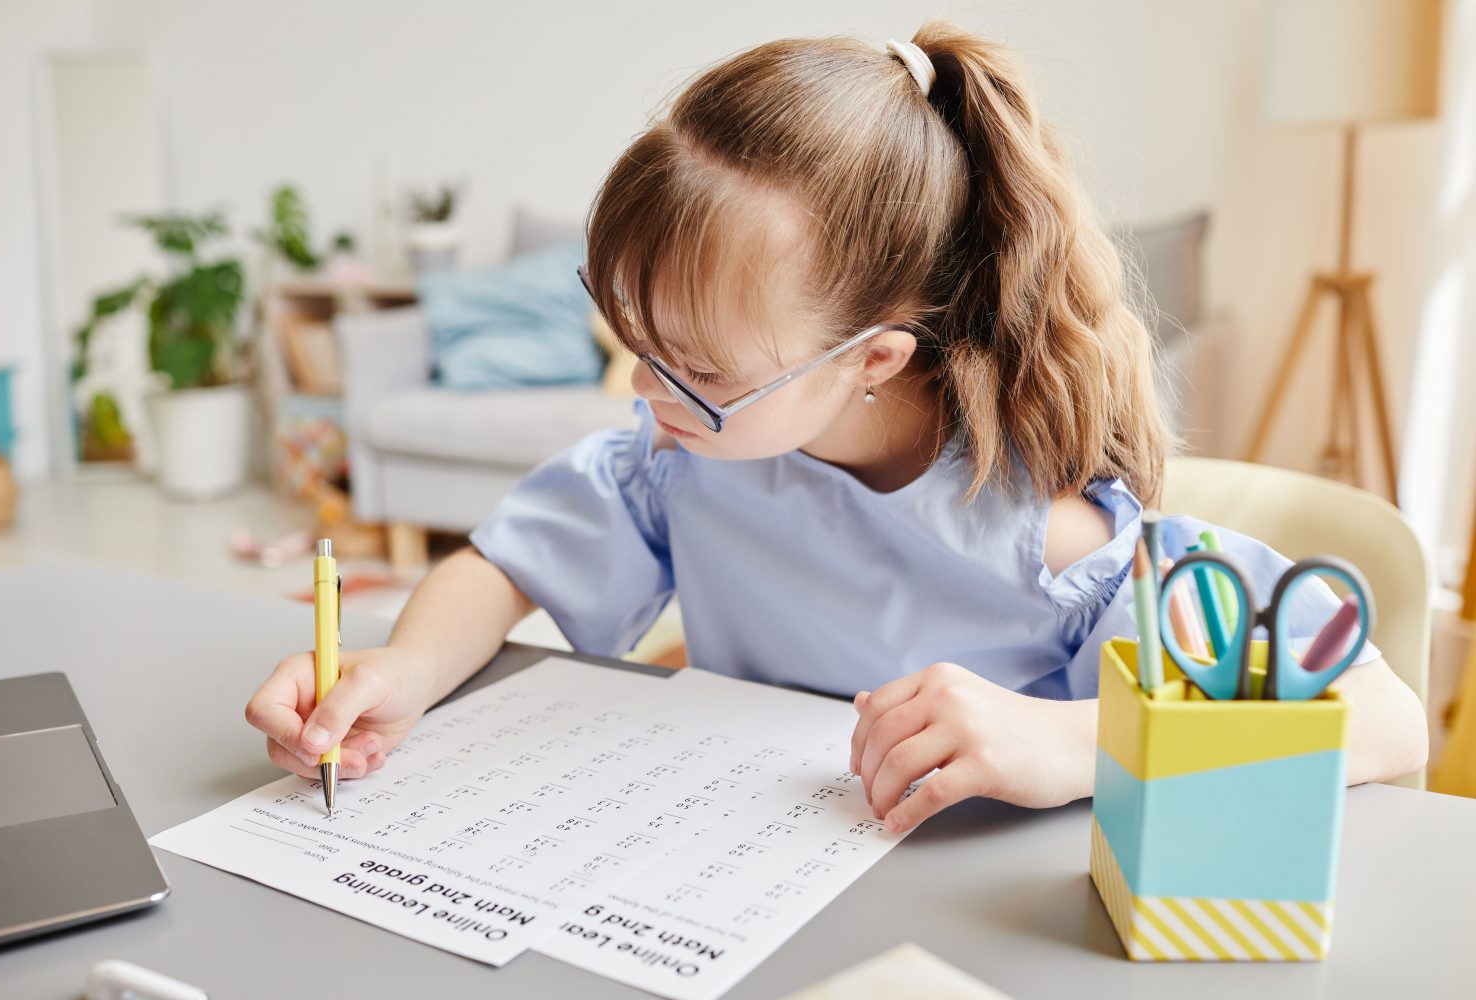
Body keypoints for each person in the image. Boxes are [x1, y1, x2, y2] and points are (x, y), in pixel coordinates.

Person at [245, 22, 1427, 835]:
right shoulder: (689, 453)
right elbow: (504, 564)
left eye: (698, 371)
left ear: (872, 358)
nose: (650, 396)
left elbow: (1383, 717)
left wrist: (1070, 743)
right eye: (637, 348)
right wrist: (398, 669)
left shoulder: (1053, 540)